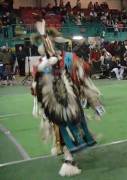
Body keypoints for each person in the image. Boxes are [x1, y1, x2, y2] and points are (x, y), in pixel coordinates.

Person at [31, 19, 105, 176]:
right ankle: (66, 155)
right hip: (54, 106)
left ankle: (69, 159)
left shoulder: (69, 59)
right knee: (60, 130)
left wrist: (95, 104)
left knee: (70, 130)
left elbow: (85, 80)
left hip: (71, 105)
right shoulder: (41, 65)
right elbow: (37, 88)